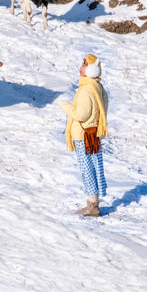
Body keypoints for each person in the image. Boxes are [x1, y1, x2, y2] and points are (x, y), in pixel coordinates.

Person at [59, 53, 109, 217]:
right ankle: (92, 204)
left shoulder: (87, 89)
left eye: (84, 63)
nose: (81, 66)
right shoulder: (97, 86)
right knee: (93, 168)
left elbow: (80, 115)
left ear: (90, 69)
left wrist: (66, 107)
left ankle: (92, 207)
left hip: (83, 136)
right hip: (93, 135)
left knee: (87, 170)